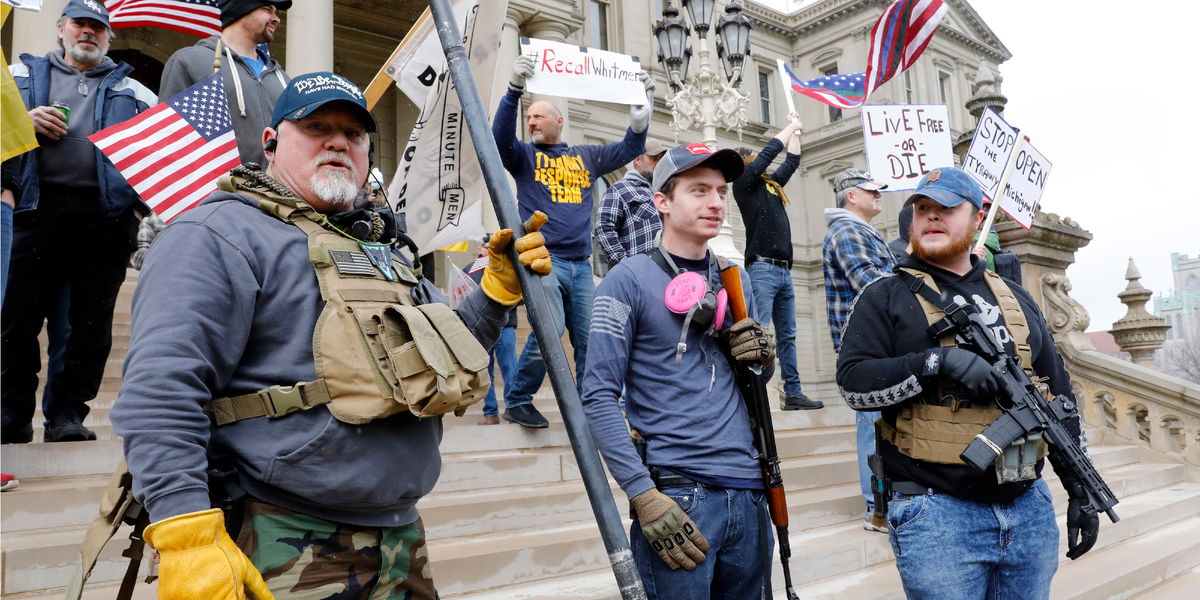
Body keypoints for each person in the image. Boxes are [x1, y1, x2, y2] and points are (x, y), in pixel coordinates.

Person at [109, 72, 551, 599]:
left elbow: (452, 356)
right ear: (270, 143)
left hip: (400, 539)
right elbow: (161, 391)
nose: (338, 141)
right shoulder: (216, 235)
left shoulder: (386, 249)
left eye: (354, 133)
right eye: (316, 126)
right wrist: (185, 533)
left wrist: (496, 294)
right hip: (279, 535)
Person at [836, 168, 1097, 599]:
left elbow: (1057, 397)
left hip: (1027, 507)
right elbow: (853, 384)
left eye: (946, 209)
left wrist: (1079, 488)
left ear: (978, 219)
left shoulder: (1017, 297)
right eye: (923, 209)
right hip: (935, 513)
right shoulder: (885, 295)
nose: (931, 218)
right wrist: (938, 361)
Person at [581, 142, 777, 598]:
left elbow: (753, 383)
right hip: (678, 496)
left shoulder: (735, 278)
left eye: (722, 192)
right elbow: (597, 395)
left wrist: (762, 359)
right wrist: (642, 495)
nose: (715, 202)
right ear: (662, 202)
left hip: (749, 491)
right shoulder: (626, 279)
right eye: (698, 190)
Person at [1, 0, 156, 444]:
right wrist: (21, 121)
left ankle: (67, 414)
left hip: (104, 221)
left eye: (97, 28)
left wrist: (134, 211)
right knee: (14, 319)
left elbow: (155, 158)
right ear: (61, 28)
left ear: (109, 36)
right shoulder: (18, 77)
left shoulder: (138, 92)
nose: (88, 33)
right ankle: (10, 413)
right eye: (79, 25)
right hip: (34, 208)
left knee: (87, 326)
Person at [492, 54, 653, 428]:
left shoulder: (587, 156)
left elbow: (630, 148)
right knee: (551, 327)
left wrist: (641, 114)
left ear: (559, 122)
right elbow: (499, 140)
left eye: (539, 116)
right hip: (541, 260)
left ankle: (590, 408)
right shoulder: (524, 157)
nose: (531, 121)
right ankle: (517, 400)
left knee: (589, 339)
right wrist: (513, 92)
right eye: (528, 117)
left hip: (581, 266)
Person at [822, 168, 897, 532]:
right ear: (851, 196)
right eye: (871, 190)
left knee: (880, 423)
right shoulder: (847, 230)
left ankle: (883, 503)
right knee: (873, 424)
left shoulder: (860, 230)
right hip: (865, 348)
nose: (878, 194)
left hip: (876, 344)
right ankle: (876, 507)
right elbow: (870, 283)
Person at [733, 113, 821, 411]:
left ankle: (793, 393)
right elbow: (769, 155)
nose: (757, 161)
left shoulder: (769, 186)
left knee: (788, 335)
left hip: (783, 270)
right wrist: (788, 128)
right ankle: (755, 391)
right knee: (758, 332)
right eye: (752, 159)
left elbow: (791, 162)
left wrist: (795, 129)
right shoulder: (743, 184)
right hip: (762, 268)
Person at [159, 0, 291, 168]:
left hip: (275, 191)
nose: (276, 18)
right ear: (241, 9)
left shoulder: (282, 78)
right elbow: (171, 138)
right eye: (267, 10)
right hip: (220, 191)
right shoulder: (191, 62)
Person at [465, 236, 518, 426]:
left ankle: (514, 408)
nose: (490, 249)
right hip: (480, 327)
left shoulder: (508, 265)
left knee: (510, 369)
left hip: (505, 326)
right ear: (480, 249)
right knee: (485, 374)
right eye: (488, 246)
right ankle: (490, 413)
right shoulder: (469, 270)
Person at [594, 138, 668, 267]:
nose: (658, 163)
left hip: (670, 269)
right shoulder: (619, 190)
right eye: (654, 158)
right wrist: (624, 265)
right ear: (638, 160)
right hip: (640, 271)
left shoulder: (666, 191)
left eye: (660, 159)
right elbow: (604, 227)